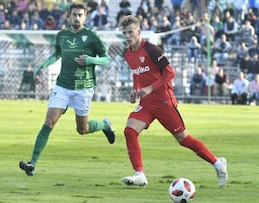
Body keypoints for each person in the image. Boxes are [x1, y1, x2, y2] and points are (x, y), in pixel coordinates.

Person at [119, 15, 228, 187]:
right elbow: (136, 73)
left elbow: (170, 74)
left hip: (164, 101)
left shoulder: (152, 49)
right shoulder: (128, 53)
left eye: (130, 32)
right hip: (147, 104)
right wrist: (135, 89)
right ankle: (140, 174)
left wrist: (149, 88)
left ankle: (217, 164)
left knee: (183, 139)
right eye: (124, 32)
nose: (127, 35)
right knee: (129, 131)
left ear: (138, 31)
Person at [19, 2, 115, 176]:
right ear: (68, 16)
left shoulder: (91, 36)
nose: (77, 18)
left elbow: (106, 59)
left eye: (80, 15)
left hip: (83, 88)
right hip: (62, 85)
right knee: (49, 122)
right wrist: (43, 66)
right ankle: (32, 163)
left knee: (82, 129)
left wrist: (90, 60)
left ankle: (104, 125)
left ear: (85, 17)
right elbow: (57, 53)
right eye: (74, 14)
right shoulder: (62, 35)